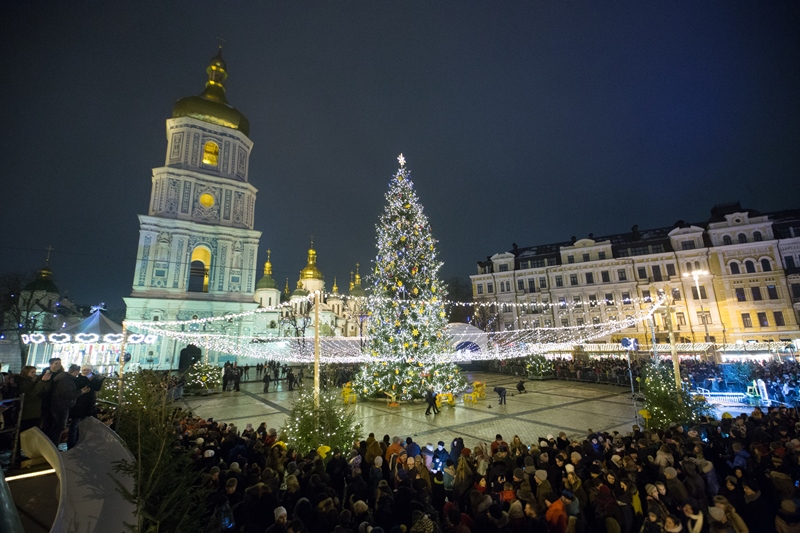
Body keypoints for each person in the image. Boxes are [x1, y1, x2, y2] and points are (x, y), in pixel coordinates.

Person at [48, 364, 90, 446]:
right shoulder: (65, 380)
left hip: (60, 405)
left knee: (57, 427)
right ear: (76, 371)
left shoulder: (64, 378)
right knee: (59, 428)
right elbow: (67, 394)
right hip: (62, 406)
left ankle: (53, 446)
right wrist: (81, 392)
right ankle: (53, 446)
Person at [67, 364, 105, 449]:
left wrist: (98, 380)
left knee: (83, 425)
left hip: (88, 405)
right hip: (79, 405)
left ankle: (80, 442)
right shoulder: (79, 379)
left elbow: (96, 388)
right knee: (75, 425)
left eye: (87, 370)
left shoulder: (92, 379)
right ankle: (72, 443)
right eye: (84, 370)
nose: (86, 372)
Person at [16, 365, 52, 431]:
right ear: (26, 372)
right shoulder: (24, 382)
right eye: (32, 372)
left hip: (34, 410)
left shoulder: (34, 381)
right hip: (28, 411)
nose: (34, 374)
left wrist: (45, 382)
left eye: (35, 372)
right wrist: (42, 382)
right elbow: (32, 392)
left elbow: (44, 389)